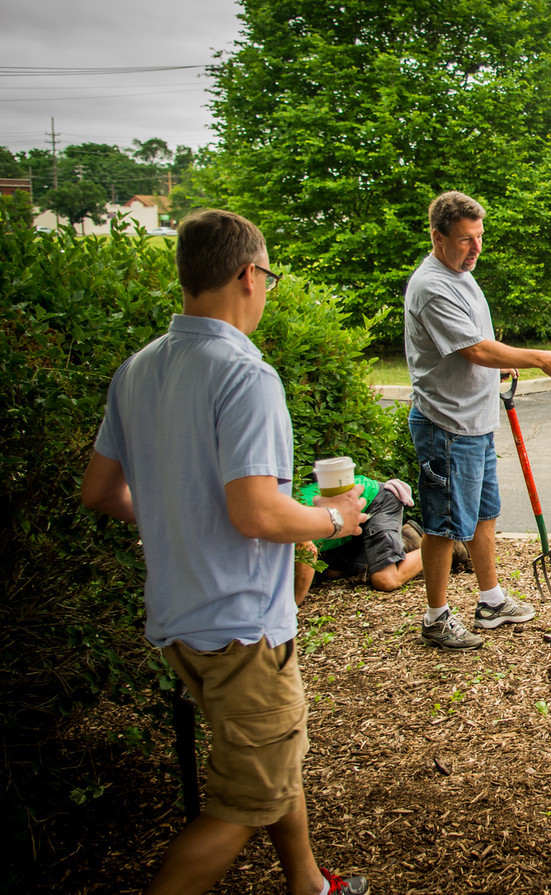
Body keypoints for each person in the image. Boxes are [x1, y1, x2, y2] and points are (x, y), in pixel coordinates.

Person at [80, 209, 370, 894]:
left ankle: (308, 882)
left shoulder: (139, 368)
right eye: (267, 277)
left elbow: (100, 490)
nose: (266, 290)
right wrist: (333, 517)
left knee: (265, 758)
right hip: (242, 625)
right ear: (248, 274)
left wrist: (173, 514)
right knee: (244, 800)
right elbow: (257, 511)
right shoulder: (246, 375)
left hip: (180, 620)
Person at [404, 190, 551, 650]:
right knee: (444, 524)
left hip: (476, 422)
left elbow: (478, 345)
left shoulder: (462, 274)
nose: (476, 248)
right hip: (445, 425)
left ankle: (490, 601)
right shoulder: (431, 286)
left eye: (479, 237)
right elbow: (475, 349)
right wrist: (534, 358)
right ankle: (436, 617)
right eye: (466, 240)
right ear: (437, 237)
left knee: (486, 514)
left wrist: (499, 365)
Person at [293, 475, 422, 605]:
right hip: (348, 527)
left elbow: (307, 550)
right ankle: (406, 540)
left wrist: (293, 605)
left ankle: (436, 547)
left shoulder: (278, 521)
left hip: (374, 501)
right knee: (332, 572)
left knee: (385, 580)